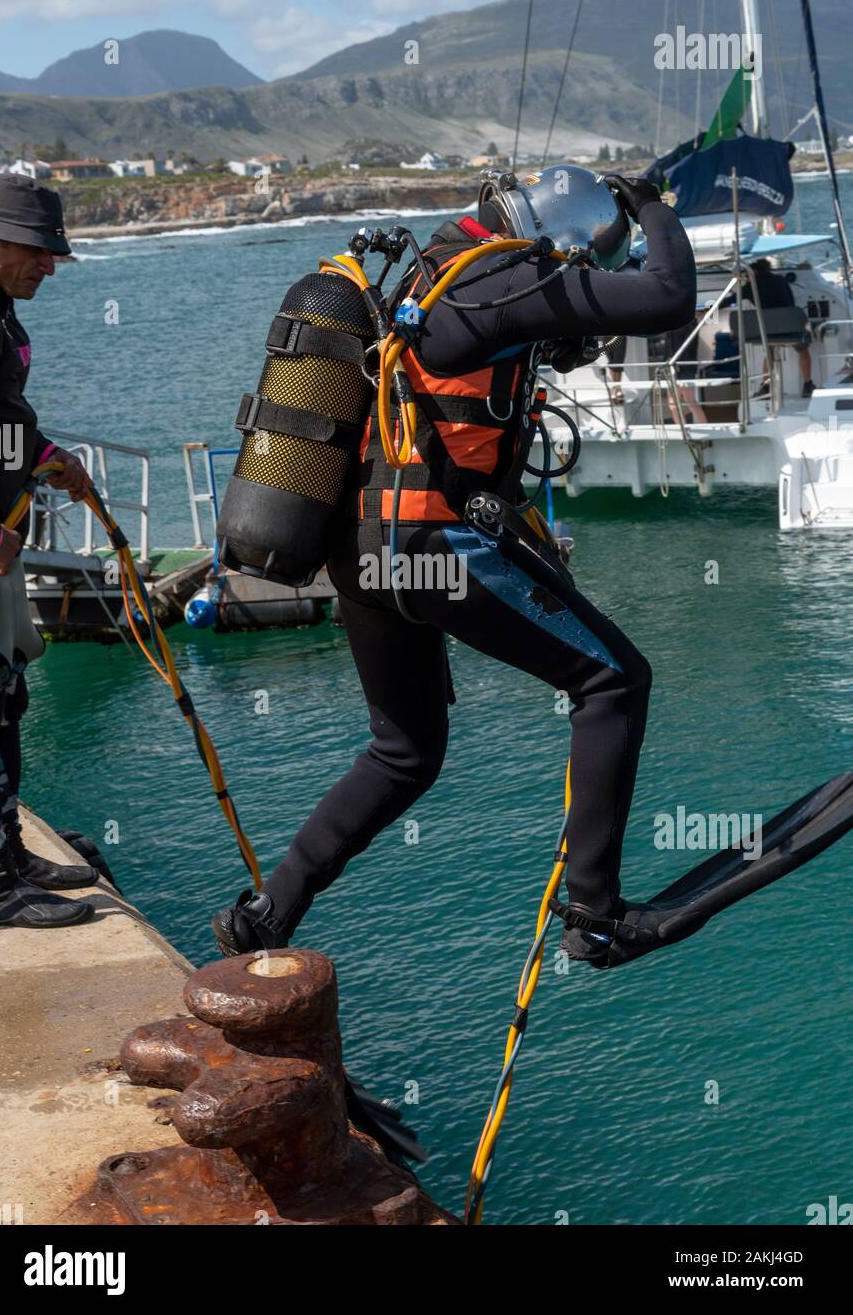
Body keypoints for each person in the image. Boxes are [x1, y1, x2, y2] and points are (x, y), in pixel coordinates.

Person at [214, 166, 698, 962]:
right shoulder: (510, 276)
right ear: (555, 237)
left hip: (364, 556)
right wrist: (651, 205)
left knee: (404, 752)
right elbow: (668, 295)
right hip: (430, 547)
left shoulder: (439, 273)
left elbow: (545, 344)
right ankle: (594, 911)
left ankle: (268, 913)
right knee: (611, 680)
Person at [0, 173, 97, 929]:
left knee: (6, 693)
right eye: (37, 249)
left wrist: (45, 451)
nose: (49, 264)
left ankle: (8, 853)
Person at [744, 257, 815, 396]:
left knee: (769, 353)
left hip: (770, 331)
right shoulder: (781, 280)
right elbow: (791, 302)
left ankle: (766, 387)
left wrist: (707, 311)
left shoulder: (749, 287)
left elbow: (728, 301)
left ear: (752, 273)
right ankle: (807, 384)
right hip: (790, 326)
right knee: (803, 350)